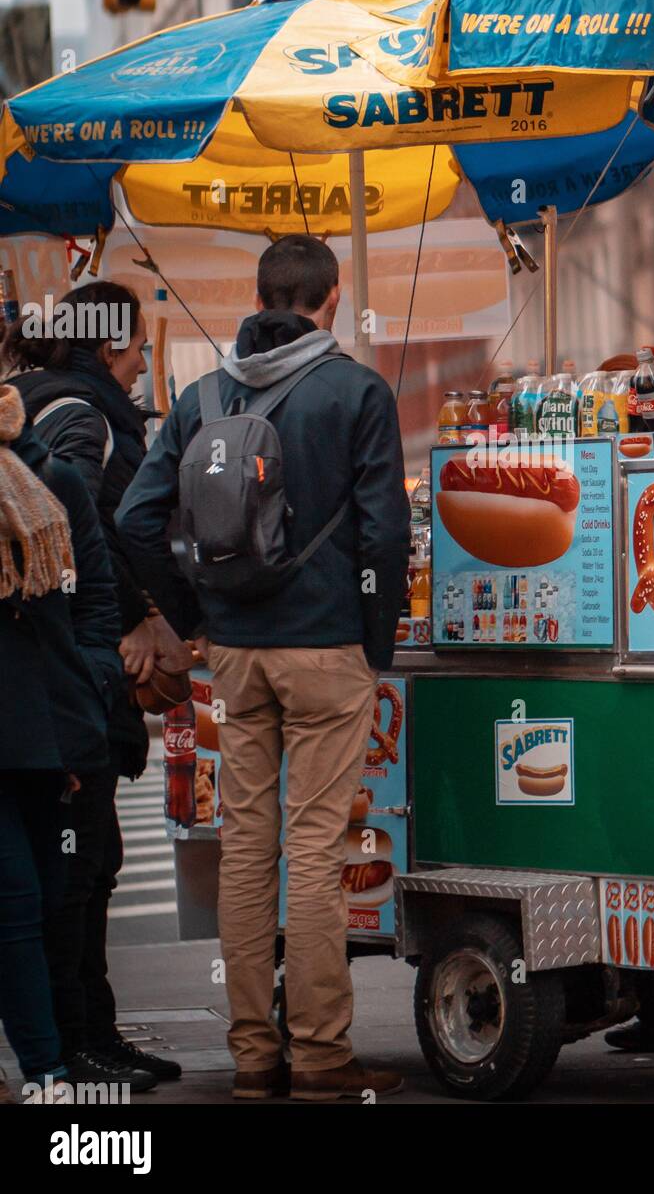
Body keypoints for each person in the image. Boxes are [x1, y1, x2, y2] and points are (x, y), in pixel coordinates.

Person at [116, 235, 411, 1101]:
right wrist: (372, 639)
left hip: (236, 658)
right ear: (330, 297)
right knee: (314, 850)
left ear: (261, 296)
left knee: (246, 847)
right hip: (326, 650)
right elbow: (385, 533)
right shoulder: (356, 391)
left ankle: (253, 1056)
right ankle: (321, 1057)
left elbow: (137, 519)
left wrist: (201, 614)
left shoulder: (201, 396)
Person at [1, 282, 179, 1089]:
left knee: (77, 875)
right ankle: (70, 1046)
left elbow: (83, 558)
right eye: (138, 347)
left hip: (57, 697)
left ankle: (83, 1040)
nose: (143, 364)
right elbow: (89, 540)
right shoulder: (85, 417)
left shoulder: (47, 418)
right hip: (55, 700)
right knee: (65, 881)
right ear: (110, 346)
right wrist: (131, 626)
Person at [0, 384, 123, 1101]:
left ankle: (51, 1065)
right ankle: (47, 1075)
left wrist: (90, 693)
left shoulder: (49, 474)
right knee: (14, 902)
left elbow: (94, 604)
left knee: (50, 899)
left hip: (48, 733)